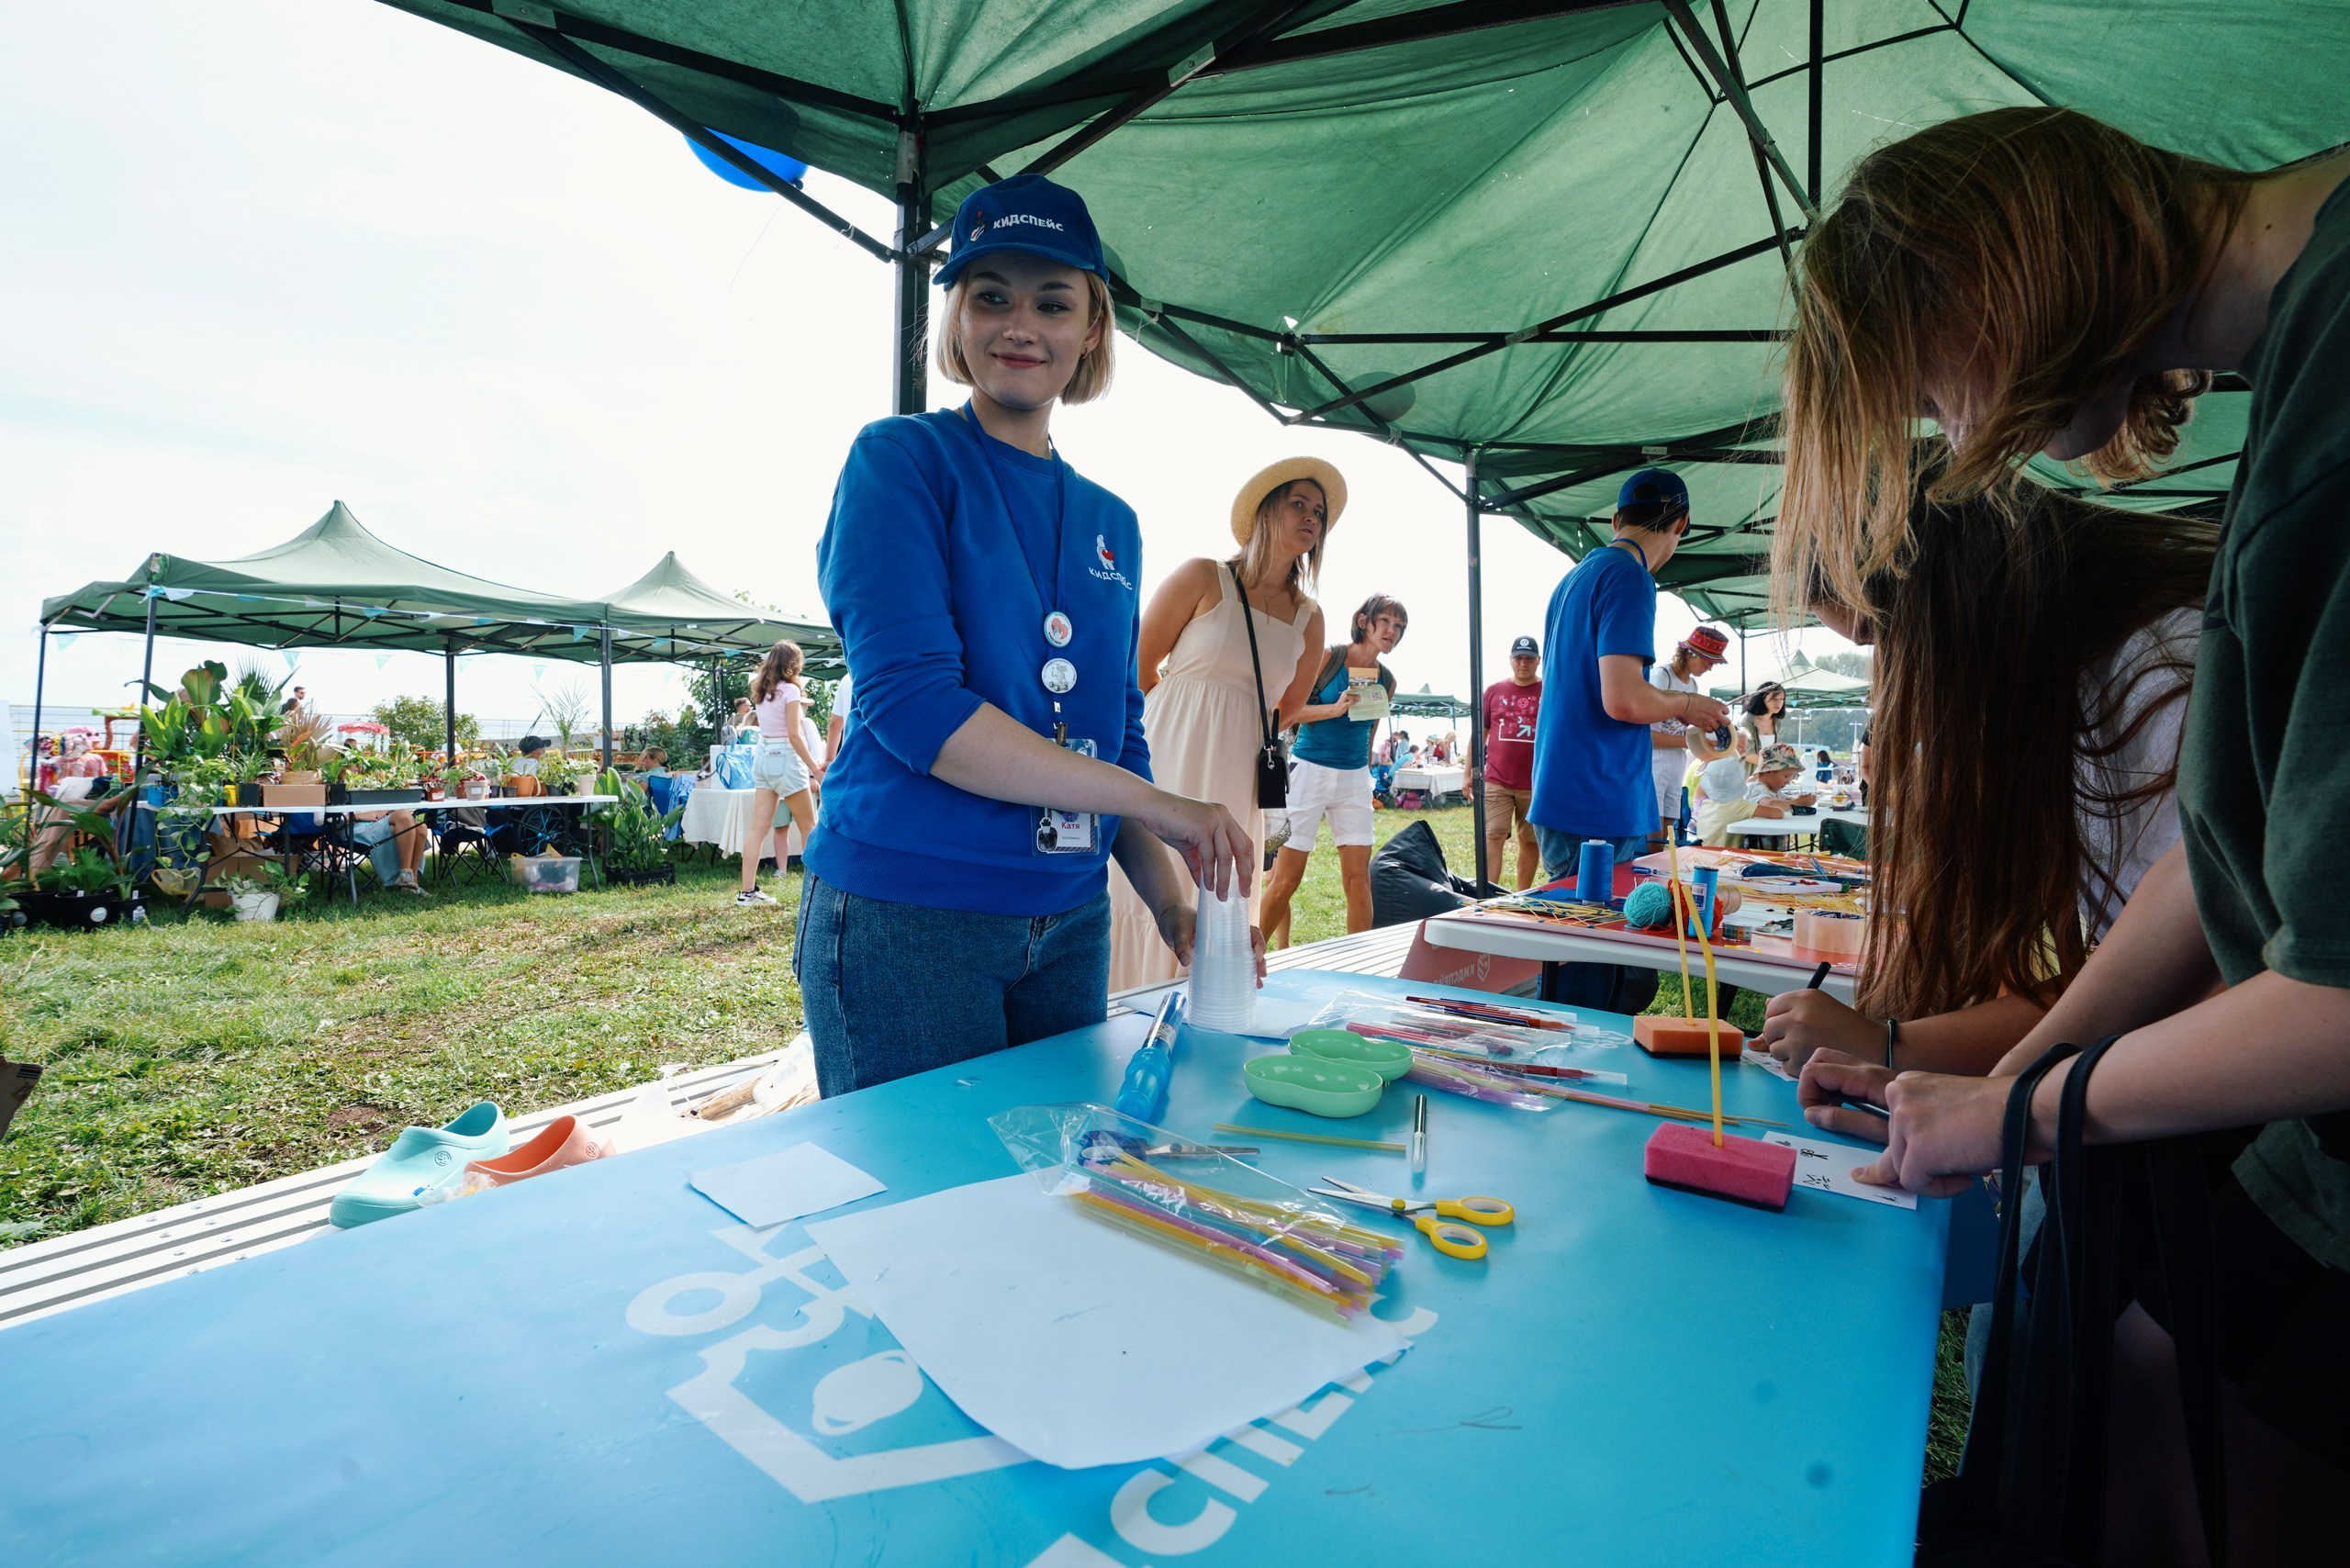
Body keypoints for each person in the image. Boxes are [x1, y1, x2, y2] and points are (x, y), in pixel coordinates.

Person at [1776, 106, 2350, 1552]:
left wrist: (2017, 1104)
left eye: (1940, 397)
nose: (1970, 443)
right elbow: (2208, 878)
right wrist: (2014, 1079)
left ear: (1993, 276)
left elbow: (2323, 980)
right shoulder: (2304, 364)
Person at [799, 173, 1252, 1098]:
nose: (1020, 325)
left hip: (1068, 915)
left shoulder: (1110, 521)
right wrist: (1170, 808)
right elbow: (917, 709)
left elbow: (1115, 729)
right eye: (991, 295)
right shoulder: (900, 463)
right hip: (909, 912)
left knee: (1049, 1186)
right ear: (955, 318)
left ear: (1091, 330)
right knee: (922, 1210)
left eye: (1053, 302)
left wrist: (1170, 902)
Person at [1109, 456, 1337, 990]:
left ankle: (1208, 1011)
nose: (1310, 518)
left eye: (1319, 513)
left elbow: (1289, 707)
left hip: (1240, 769)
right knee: (1151, 880)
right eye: (1297, 504)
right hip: (1171, 750)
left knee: (1219, 888)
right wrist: (1177, 723)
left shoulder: (1311, 615)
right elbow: (1136, 667)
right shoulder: (1202, 576)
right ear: (1265, 513)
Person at [1528, 468, 1729, 1011]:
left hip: (1568, 787)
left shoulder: (1576, 577)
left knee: (1575, 953)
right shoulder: (1632, 577)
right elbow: (1624, 699)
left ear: (1616, 520)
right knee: (1592, 975)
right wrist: (1691, 706)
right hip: (1596, 794)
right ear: (1681, 524)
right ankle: (1574, 1086)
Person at [1259, 594, 1404, 947]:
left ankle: (1357, 970)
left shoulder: (1387, 680)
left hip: (1354, 779)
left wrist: (1366, 776)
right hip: (1309, 772)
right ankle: (1246, 964)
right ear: (1363, 622)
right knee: (1286, 880)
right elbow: (1283, 711)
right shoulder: (1328, 657)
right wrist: (1333, 710)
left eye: (1399, 627)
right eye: (1384, 621)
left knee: (1358, 881)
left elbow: (1369, 732)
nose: (1391, 631)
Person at [735, 640, 823, 908]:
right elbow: (795, 735)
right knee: (811, 826)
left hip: (763, 754)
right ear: (794, 663)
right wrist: (815, 771)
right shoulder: (791, 691)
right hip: (785, 756)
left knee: (758, 828)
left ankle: (747, 893)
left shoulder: (762, 691)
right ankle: (817, 892)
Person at [1647, 624, 1732, 848]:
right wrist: (1689, 742)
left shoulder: (1693, 684)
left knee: (1668, 828)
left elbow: (1689, 732)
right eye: (1707, 661)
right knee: (1653, 832)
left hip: (1676, 764)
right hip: (1654, 763)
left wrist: (1713, 740)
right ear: (1690, 653)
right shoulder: (1661, 676)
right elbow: (1648, 737)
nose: (1710, 668)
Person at [1472, 634, 1545, 890]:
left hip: (1534, 782)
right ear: (1510, 660)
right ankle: (1488, 893)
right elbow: (1479, 733)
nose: (1523, 663)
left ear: (1538, 661)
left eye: (1528, 659)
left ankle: (1521, 894)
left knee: (1530, 841)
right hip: (1497, 779)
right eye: (1518, 658)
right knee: (1493, 835)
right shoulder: (1493, 691)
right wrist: (1468, 774)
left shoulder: (1548, 691)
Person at [1692, 747, 1802, 846]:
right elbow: (1778, 813)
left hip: (1701, 853)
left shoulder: (1706, 804)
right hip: (1726, 857)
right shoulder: (1740, 806)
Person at [351, 808, 430, 895]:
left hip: (380, 819)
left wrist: (385, 810)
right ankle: (406, 876)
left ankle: (412, 883)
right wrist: (357, 816)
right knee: (403, 815)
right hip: (356, 826)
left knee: (421, 829)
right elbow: (335, 820)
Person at [1733, 681, 1787, 757]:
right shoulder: (1746, 720)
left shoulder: (1776, 721)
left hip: (1767, 768)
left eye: (1782, 699)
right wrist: (1775, 765)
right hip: (1749, 768)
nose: (1779, 702)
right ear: (1762, 699)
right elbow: (1748, 755)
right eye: (1774, 698)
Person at [824, 670, 853, 767]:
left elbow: (835, 725)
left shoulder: (847, 678)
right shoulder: (891, 669)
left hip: (851, 756)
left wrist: (829, 761)